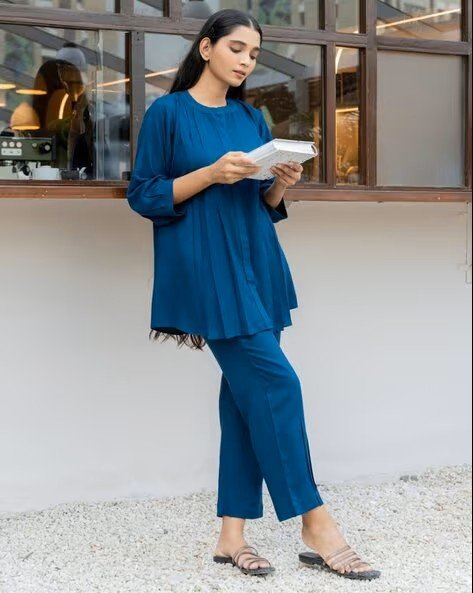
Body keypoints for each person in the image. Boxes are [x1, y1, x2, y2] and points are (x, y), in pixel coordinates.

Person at [127, 8, 381, 582]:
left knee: (246, 398)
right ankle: (316, 523)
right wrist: (211, 174)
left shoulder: (251, 117)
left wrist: (279, 186)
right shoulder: (169, 113)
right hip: (208, 269)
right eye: (237, 48)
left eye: (254, 54)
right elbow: (144, 195)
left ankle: (231, 536)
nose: (246, 61)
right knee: (277, 384)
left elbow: (262, 206)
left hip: (257, 264)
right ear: (207, 47)